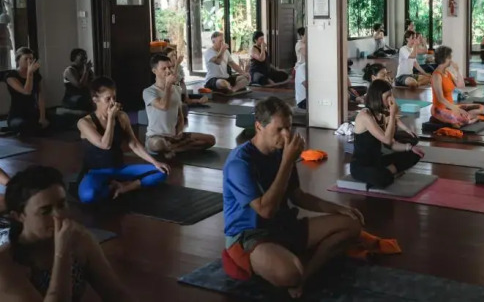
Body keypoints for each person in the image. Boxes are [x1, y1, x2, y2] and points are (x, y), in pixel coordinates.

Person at [222, 97, 363, 299]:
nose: (287, 134)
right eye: (279, 129)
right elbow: (265, 210)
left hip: (283, 225)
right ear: (259, 127)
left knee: (352, 224)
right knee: (289, 273)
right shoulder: (240, 163)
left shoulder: (281, 153)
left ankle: (304, 275)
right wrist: (287, 161)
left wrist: (338, 209)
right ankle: (295, 272)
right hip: (250, 234)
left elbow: (298, 196)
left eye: (288, 127)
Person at [0, 165, 132, 301]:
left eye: (61, 205)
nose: (58, 215)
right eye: (45, 211)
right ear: (18, 216)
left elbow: (116, 294)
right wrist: (62, 252)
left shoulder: (80, 240)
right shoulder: (6, 264)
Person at [78, 76, 170, 203]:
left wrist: (155, 162)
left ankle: (124, 188)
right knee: (88, 196)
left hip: (119, 169)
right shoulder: (84, 123)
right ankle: (112, 187)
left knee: (162, 172)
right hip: (96, 172)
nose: (112, 103)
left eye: (114, 98)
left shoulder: (122, 117)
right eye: (108, 99)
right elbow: (105, 145)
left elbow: (134, 144)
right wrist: (111, 119)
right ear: (95, 99)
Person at [351, 80, 424, 188]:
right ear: (377, 97)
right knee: (381, 178)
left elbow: (391, 144)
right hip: (362, 165)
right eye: (387, 96)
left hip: (377, 161)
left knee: (414, 154)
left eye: (391, 95)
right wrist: (393, 114)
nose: (391, 99)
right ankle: (389, 172)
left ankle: (389, 172)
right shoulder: (365, 115)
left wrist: (410, 148)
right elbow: (387, 140)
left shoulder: (381, 115)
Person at [144, 54, 217, 159]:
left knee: (210, 140)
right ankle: (173, 147)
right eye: (164, 68)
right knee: (158, 144)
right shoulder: (148, 91)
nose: (168, 71)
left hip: (173, 136)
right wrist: (168, 86)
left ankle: (172, 149)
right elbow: (163, 106)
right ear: (154, 71)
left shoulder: (177, 89)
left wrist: (179, 131)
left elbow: (180, 115)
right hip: (155, 137)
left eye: (170, 67)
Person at [431, 46, 483, 127]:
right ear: (445, 58)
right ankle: (467, 119)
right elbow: (440, 98)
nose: (451, 60)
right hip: (439, 109)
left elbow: (461, 85)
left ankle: (466, 118)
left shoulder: (448, 73)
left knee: (480, 107)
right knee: (463, 119)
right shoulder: (436, 76)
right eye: (450, 58)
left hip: (451, 107)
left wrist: (457, 70)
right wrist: (457, 109)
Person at [6, 47, 48, 135]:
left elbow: (40, 96)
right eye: (26, 59)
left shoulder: (36, 76)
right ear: (18, 61)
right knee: (25, 125)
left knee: (58, 120)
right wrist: (30, 73)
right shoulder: (11, 76)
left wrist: (42, 117)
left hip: (33, 113)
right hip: (17, 115)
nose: (29, 61)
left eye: (31, 58)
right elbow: (27, 91)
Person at [165, 46, 208, 115]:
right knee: (183, 107)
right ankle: (186, 103)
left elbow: (182, 82)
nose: (174, 57)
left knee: (205, 98)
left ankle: (188, 101)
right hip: (173, 95)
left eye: (175, 55)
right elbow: (173, 80)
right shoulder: (166, 69)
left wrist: (187, 97)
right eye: (171, 56)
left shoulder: (179, 67)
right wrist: (176, 65)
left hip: (181, 94)